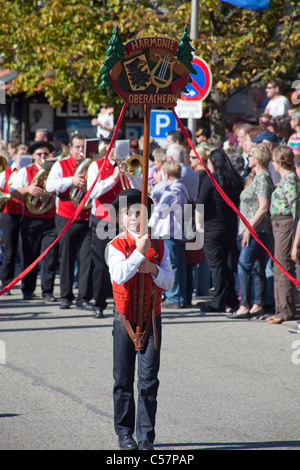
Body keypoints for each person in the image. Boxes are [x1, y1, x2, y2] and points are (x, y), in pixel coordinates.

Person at [106, 188, 174, 450]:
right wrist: (138, 254)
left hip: (151, 319)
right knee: (123, 379)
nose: (134, 218)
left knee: (148, 381)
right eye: (129, 214)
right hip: (124, 319)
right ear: (122, 219)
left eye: (139, 213)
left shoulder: (159, 244)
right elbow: (119, 275)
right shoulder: (115, 245)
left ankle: (146, 438)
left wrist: (153, 268)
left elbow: (168, 281)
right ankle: (125, 434)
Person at [87, 130, 141, 319]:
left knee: (127, 261)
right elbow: (92, 191)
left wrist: (129, 174)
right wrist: (114, 177)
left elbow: (139, 189)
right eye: (111, 147)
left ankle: (124, 302)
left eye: (118, 147)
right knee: (102, 264)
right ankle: (99, 303)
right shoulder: (96, 166)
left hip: (125, 220)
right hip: (103, 219)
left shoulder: (129, 164)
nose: (114, 151)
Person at [45, 133, 93, 310]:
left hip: (87, 216)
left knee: (87, 259)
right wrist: (71, 180)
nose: (81, 151)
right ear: (70, 148)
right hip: (66, 216)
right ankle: (66, 296)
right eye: (77, 147)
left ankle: (84, 298)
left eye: (83, 147)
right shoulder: (61, 164)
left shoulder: (92, 165)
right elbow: (50, 186)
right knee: (66, 257)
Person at [227, 144, 274, 319]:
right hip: (252, 228)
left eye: (251, 156)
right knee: (256, 266)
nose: (248, 159)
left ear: (258, 159)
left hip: (256, 229)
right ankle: (258, 303)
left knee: (243, 265)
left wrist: (249, 229)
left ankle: (245, 305)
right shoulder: (256, 177)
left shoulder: (262, 178)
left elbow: (263, 208)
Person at [196, 149, 244, 313]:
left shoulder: (211, 179)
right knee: (228, 265)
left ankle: (218, 302)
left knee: (216, 266)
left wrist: (198, 225)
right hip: (230, 227)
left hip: (212, 228)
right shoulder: (236, 179)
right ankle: (231, 299)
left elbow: (200, 204)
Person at [10, 141, 58, 301]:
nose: (43, 157)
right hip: (30, 219)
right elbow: (13, 192)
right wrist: (28, 189)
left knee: (49, 258)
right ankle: (28, 290)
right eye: (39, 154)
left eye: (46, 154)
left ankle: (48, 291)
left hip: (50, 219)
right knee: (29, 256)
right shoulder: (26, 171)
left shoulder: (54, 171)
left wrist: (53, 199)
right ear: (33, 156)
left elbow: (60, 191)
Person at [150, 160, 189, 308]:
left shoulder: (174, 189)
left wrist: (154, 205)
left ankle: (175, 297)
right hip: (176, 231)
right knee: (178, 264)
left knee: (173, 265)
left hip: (171, 232)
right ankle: (180, 296)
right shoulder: (179, 187)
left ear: (167, 173)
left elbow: (161, 211)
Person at [269, 145, 298, 324]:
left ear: (280, 162)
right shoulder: (285, 179)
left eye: (273, 161)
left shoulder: (290, 180)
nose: (272, 164)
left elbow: (296, 208)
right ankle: (280, 308)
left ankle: (285, 311)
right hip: (278, 223)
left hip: (285, 223)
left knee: (283, 267)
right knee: (278, 267)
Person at [0, 150, 23, 294]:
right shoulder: (6, 172)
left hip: (26, 212)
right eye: (21, 154)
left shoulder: (28, 170)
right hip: (8, 213)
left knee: (25, 249)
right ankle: (6, 283)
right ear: (14, 156)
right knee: (10, 249)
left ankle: (26, 285)